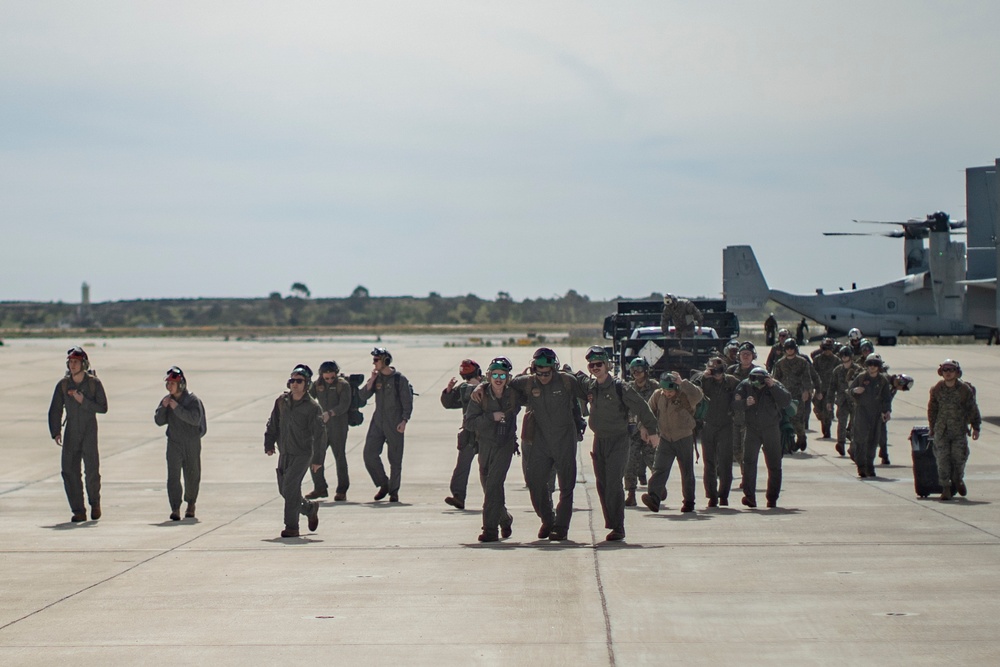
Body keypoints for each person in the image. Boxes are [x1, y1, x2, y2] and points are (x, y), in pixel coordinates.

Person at [506, 347, 587, 541]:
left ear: (555, 368)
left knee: (566, 486)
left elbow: (590, 389)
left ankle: (561, 527)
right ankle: (548, 518)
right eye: (539, 372)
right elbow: (504, 384)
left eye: (547, 373)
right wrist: (479, 388)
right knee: (534, 483)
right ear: (533, 369)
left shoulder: (567, 381)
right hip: (540, 442)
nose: (543, 377)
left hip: (564, 440)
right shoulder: (527, 382)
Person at [579, 346, 659, 541]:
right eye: (592, 365)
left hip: (618, 440)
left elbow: (641, 406)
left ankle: (618, 527)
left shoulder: (620, 387)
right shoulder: (591, 387)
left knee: (614, 483)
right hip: (599, 441)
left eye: (599, 364)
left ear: (607, 365)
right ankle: (612, 523)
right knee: (602, 484)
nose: (595, 367)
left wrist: (653, 431)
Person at [48, 346, 109, 523]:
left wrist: (84, 401)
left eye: (76, 362)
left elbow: (103, 407)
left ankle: (94, 503)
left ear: (84, 363)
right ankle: (78, 510)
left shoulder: (93, 383)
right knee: (69, 471)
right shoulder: (63, 384)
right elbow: (55, 409)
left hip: (90, 430)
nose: (72, 365)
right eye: (70, 362)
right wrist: (56, 431)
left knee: (91, 470)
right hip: (71, 431)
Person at [263, 364, 323, 538]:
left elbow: (320, 435)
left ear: (307, 384)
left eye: (299, 381)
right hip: (285, 452)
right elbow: (273, 422)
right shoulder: (282, 401)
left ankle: (292, 527)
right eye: (292, 380)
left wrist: (317, 459)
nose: (294, 384)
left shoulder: (312, 407)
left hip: (303, 453)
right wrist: (269, 443)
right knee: (284, 489)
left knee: (290, 487)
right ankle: (309, 508)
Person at [464, 357, 520, 542]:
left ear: (508, 377)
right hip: (485, 446)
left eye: (502, 375)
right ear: (488, 376)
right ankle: (504, 518)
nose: (498, 378)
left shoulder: (514, 394)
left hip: (504, 445)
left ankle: (490, 530)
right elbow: (469, 423)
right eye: (495, 374)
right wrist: (491, 417)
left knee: (494, 485)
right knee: (489, 488)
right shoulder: (479, 396)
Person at [642, 370, 703, 514]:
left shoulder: (686, 395)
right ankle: (654, 499)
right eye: (665, 390)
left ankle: (689, 502)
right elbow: (648, 411)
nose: (668, 393)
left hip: (684, 437)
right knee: (659, 469)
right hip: (665, 438)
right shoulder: (658, 395)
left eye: (671, 390)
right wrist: (644, 427)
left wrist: (683, 383)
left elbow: (698, 396)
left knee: (687, 471)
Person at [358, 347, 413, 502]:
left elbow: (407, 402)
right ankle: (384, 484)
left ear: (385, 361)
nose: (374, 363)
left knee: (395, 459)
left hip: (395, 422)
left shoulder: (399, 379)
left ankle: (394, 492)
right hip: (378, 421)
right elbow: (362, 396)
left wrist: (404, 420)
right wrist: (371, 381)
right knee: (369, 454)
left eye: (376, 360)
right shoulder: (377, 379)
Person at [733, 367, 791, 508]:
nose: (757, 382)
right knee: (749, 462)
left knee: (774, 464)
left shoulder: (773, 384)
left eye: (760, 379)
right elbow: (734, 404)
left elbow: (786, 401)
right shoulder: (745, 385)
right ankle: (750, 497)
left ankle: (772, 498)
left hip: (771, 429)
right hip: (752, 429)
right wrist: (745, 403)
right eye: (754, 378)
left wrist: (772, 386)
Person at [154, 366, 206, 521]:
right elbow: (158, 421)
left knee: (192, 475)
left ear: (181, 385)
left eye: (173, 384)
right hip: (174, 443)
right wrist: (163, 408)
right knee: (173, 477)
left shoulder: (192, 400)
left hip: (191, 443)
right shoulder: (167, 400)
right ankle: (175, 507)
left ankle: (191, 504)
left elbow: (195, 419)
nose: (170, 386)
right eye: (168, 384)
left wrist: (177, 408)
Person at [928, 359, 982, 500]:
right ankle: (946, 488)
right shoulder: (937, 389)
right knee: (942, 459)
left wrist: (976, 427)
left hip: (958, 430)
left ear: (957, 372)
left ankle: (958, 479)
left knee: (960, 457)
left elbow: (972, 408)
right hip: (942, 430)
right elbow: (932, 410)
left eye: (951, 370)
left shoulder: (964, 390)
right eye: (945, 370)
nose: (948, 373)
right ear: (941, 372)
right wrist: (932, 428)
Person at [695, 358, 739, 507]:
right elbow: (693, 388)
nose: (717, 373)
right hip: (709, 426)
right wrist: (704, 377)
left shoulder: (732, 382)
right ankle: (712, 495)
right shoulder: (705, 381)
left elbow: (741, 394)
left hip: (726, 425)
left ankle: (724, 494)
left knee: (725, 462)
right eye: (714, 370)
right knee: (709, 463)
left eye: (720, 370)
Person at [306, 360, 352, 501]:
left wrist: (330, 413)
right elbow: (308, 398)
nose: (330, 380)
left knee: (339, 457)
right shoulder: (317, 384)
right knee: (315, 457)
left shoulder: (342, 385)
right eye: (327, 378)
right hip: (321, 427)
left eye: (332, 377)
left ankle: (342, 490)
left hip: (338, 425)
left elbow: (345, 404)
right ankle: (320, 487)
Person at [441, 359, 483, 510]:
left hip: (486, 433)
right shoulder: (464, 388)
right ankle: (458, 497)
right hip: (470, 434)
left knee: (487, 469)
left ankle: (493, 500)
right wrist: (448, 391)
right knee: (462, 467)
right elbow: (449, 403)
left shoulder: (487, 386)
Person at [847, 354, 892, 478]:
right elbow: (850, 391)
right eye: (870, 364)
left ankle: (870, 466)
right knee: (860, 440)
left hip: (876, 413)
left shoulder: (882, 380)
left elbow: (886, 398)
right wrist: (855, 391)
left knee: (873, 441)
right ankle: (861, 467)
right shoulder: (861, 378)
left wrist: (887, 411)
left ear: (878, 367)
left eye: (875, 364)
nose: (872, 367)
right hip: (862, 412)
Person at [623, 357, 660, 507]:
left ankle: (657, 490)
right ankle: (631, 494)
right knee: (630, 463)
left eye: (639, 370)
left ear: (646, 371)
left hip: (651, 430)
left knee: (654, 462)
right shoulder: (628, 388)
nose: (636, 373)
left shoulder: (655, 388)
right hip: (632, 431)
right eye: (633, 370)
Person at [771, 338, 815, 451]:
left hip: (798, 394)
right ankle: (788, 442)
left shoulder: (802, 362)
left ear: (795, 349)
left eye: (791, 348)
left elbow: (807, 378)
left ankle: (801, 437)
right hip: (784, 394)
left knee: (797, 418)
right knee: (785, 419)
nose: (790, 350)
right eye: (787, 348)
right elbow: (776, 379)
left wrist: (807, 391)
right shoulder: (780, 363)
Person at [826, 346, 862, 457]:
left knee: (855, 423)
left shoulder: (858, 370)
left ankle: (854, 445)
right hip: (842, 401)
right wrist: (829, 401)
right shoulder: (837, 370)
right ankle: (840, 443)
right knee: (841, 422)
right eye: (842, 355)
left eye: (846, 355)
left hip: (855, 401)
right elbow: (832, 387)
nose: (844, 357)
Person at [810, 338, 839, 439]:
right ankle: (824, 421)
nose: (827, 351)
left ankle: (827, 430)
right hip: (819, 389)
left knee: (828, 410)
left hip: (831, 390)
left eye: (829, 348)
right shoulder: (817, 359)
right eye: (825, 348)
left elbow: (840, 374)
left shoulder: (836, 360)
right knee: (818, 409)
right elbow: (813, 374)